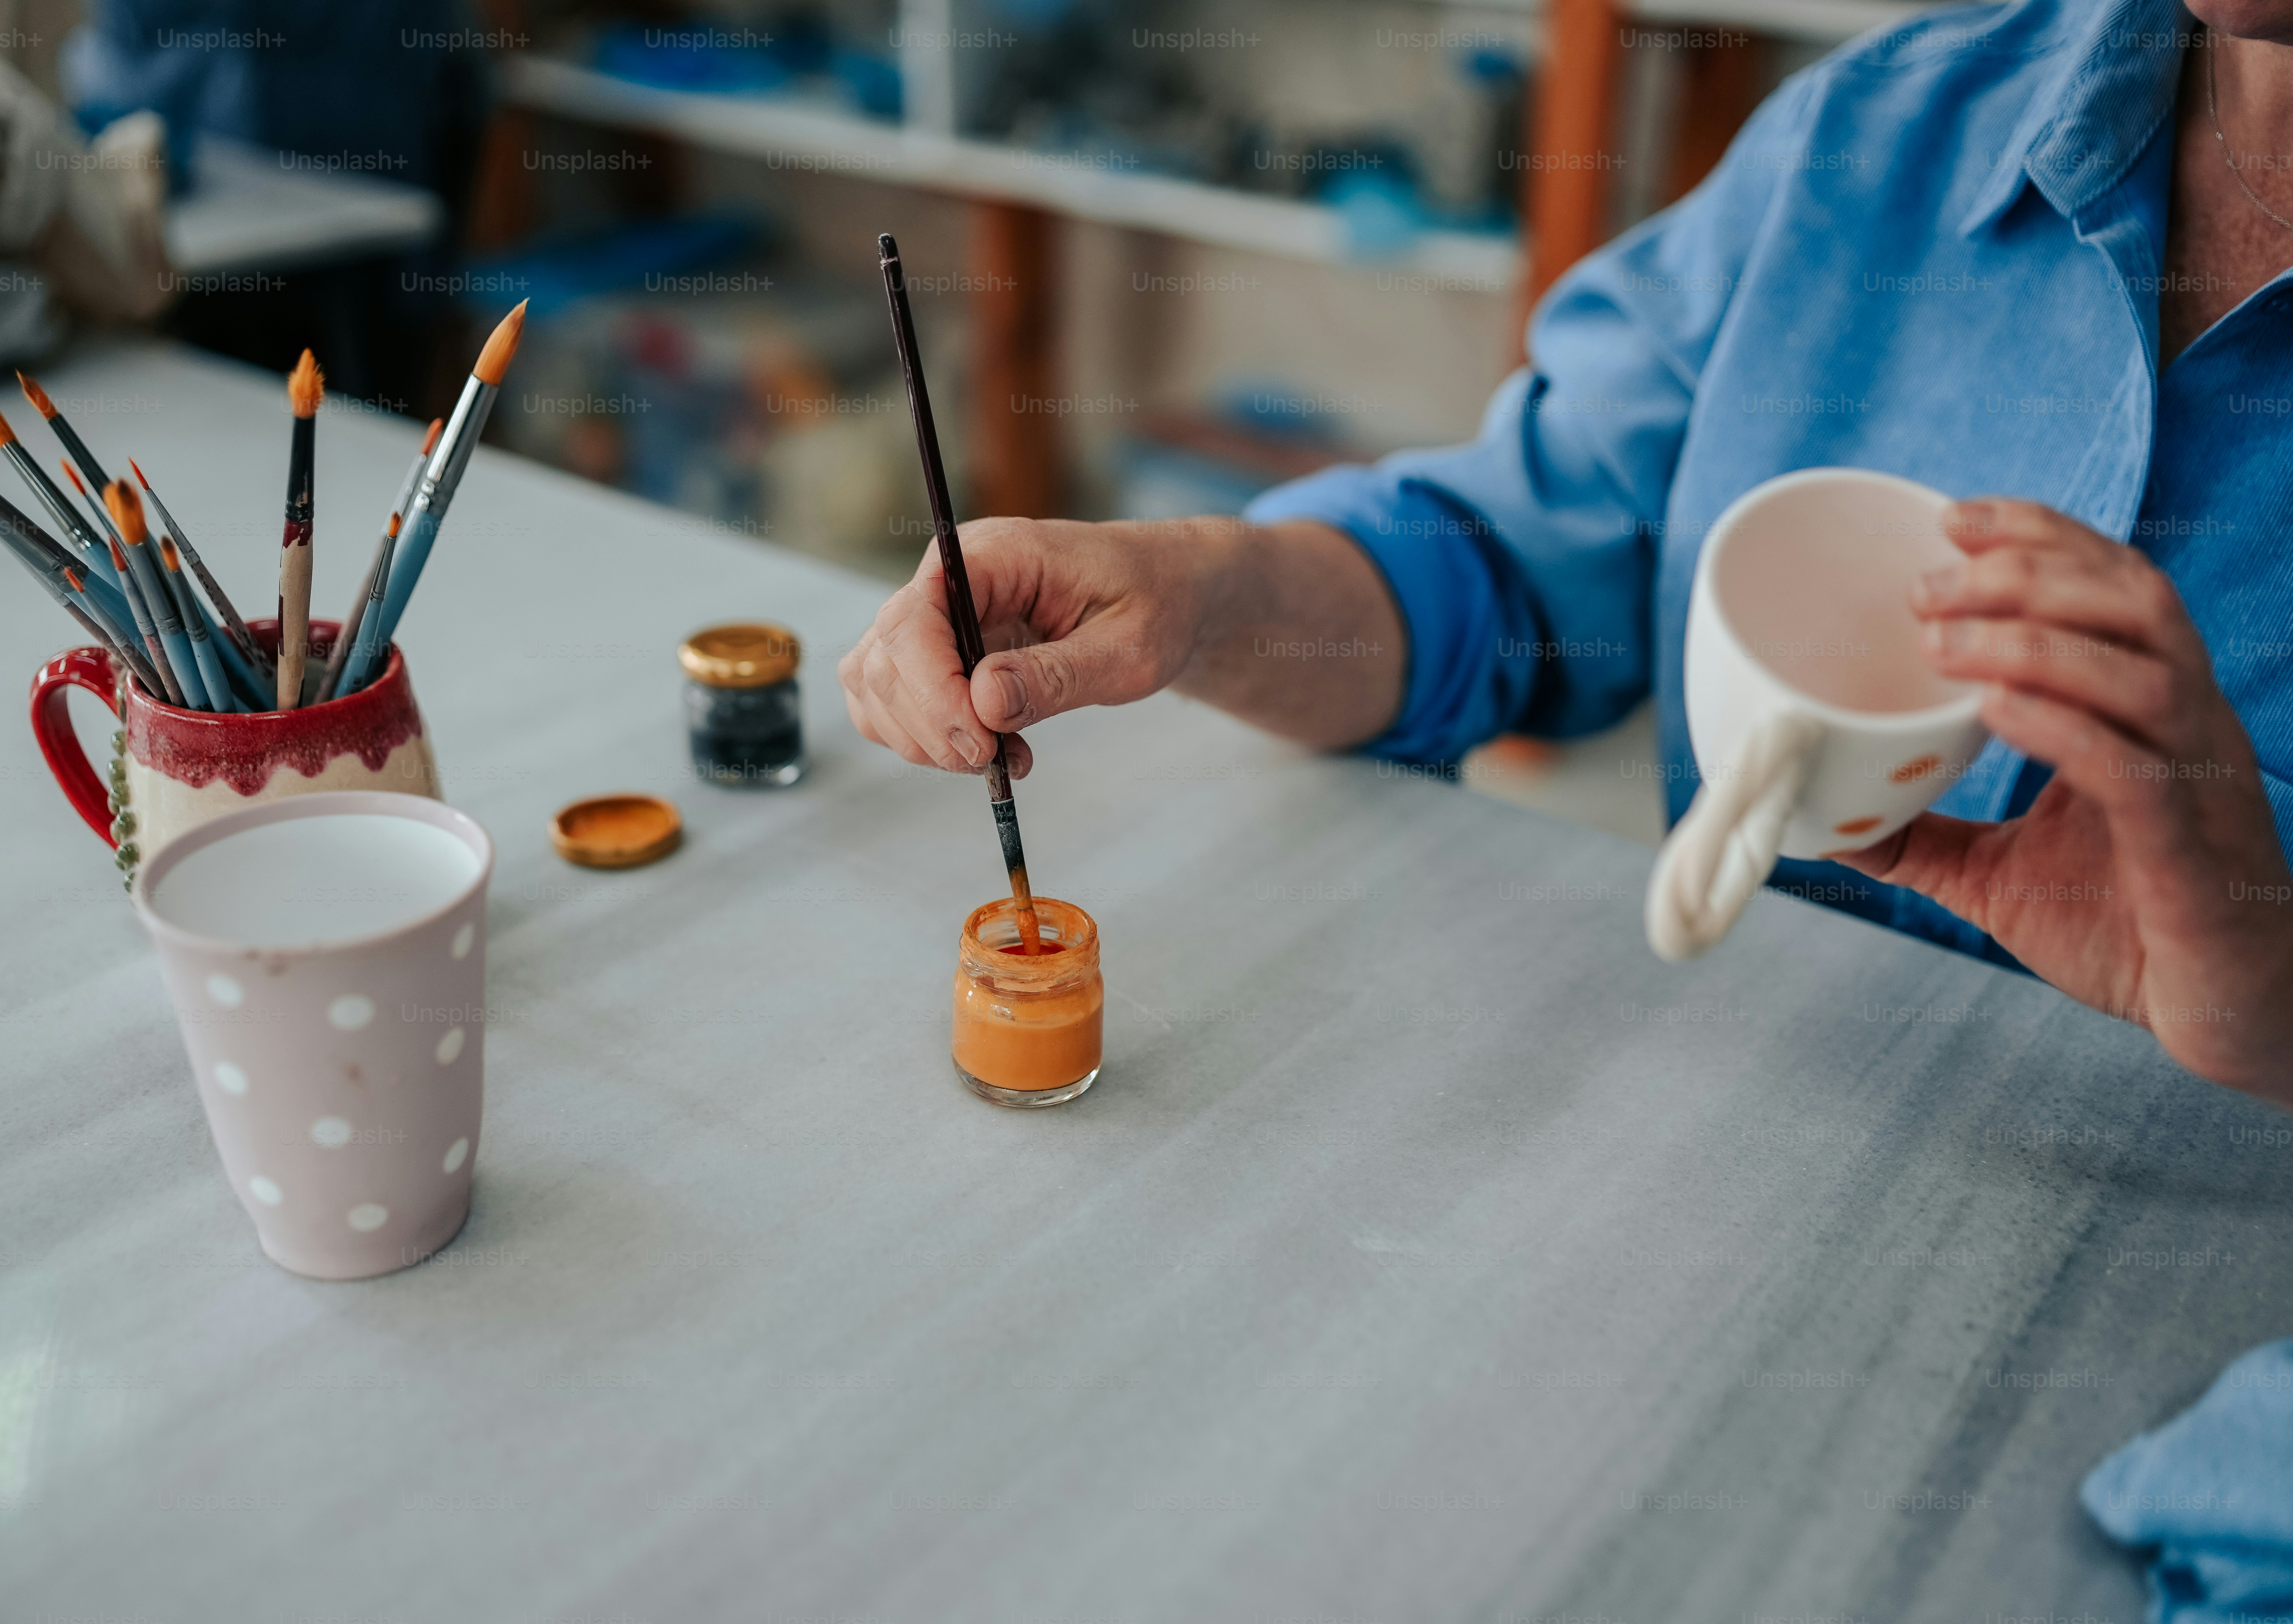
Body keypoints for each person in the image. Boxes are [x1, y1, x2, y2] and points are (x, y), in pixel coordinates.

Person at [839, 0, 2293, 1103]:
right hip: (1726, 1128)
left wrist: (2268, 979)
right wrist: (1204, 590)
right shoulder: (1874, 142)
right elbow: (1511, 570)